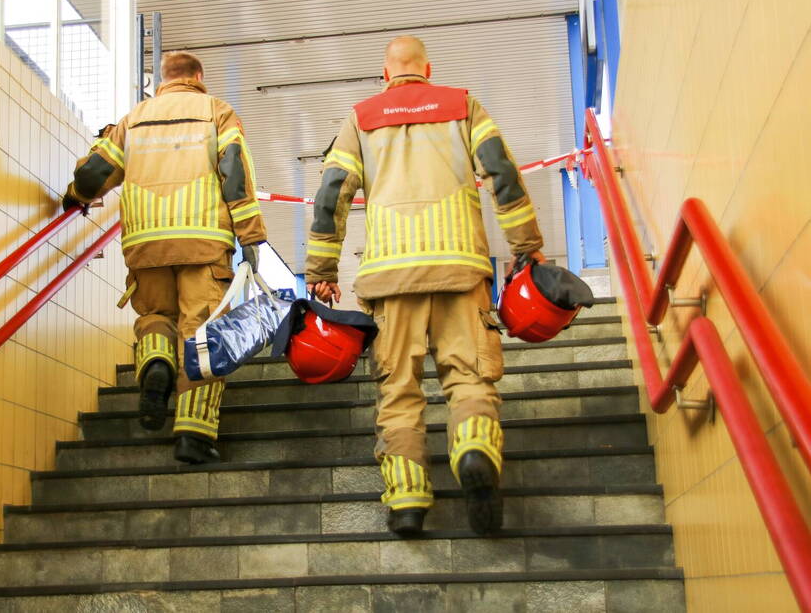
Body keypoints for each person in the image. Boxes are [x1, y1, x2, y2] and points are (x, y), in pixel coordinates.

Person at [304, 36, 546, 536]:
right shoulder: (463, 105)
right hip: (460, 269)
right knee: (469, 379)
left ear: (385, 73)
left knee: (398, 391)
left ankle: (409, 502)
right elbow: (502, 172)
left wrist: (322, 271)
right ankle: (475, 451)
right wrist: (527, 245)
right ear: (428, 69)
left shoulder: (361, 117)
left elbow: (331, 195)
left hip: (391, 279)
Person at [63, 51, 267, 464]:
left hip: (145, 243)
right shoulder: (217, 112)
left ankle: (156, 362)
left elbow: (91, 176)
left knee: (156, 317)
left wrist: (75, 197)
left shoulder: (132, 120)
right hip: (204, 242)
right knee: (201, 334)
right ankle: (193, 434)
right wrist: (250, 237)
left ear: (162, 81)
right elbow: (236, 173)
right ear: (198, 77)